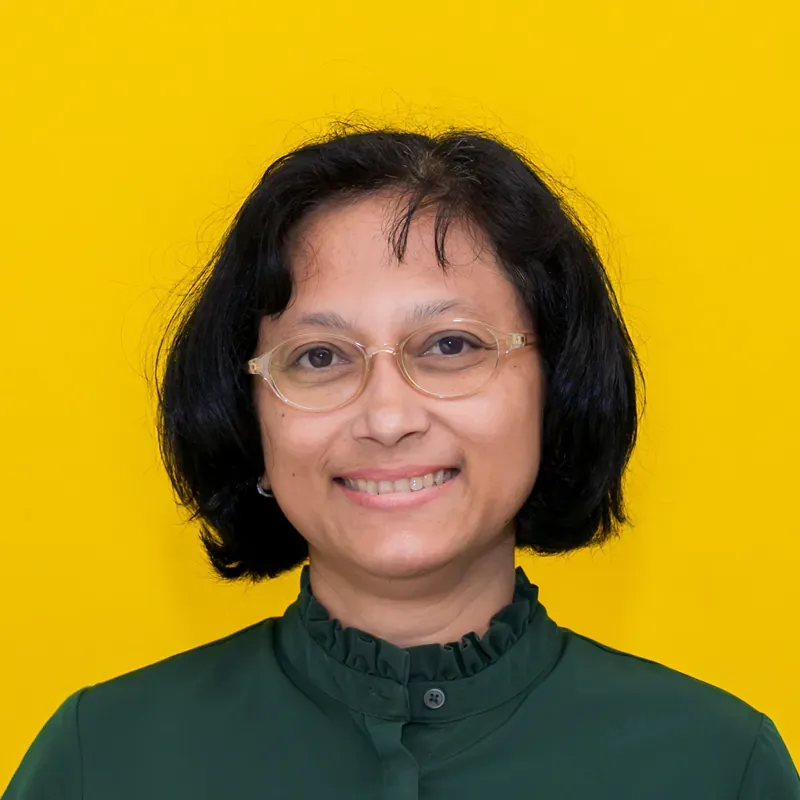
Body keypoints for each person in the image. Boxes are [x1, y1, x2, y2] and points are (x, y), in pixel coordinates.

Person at [4, 125, 798, 800]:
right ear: (248, 418)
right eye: (319, 357)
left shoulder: (716, 767)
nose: (386, 417)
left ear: (553, 388)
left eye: (451, 345)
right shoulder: (102, 762)